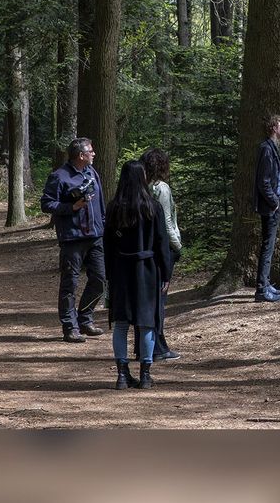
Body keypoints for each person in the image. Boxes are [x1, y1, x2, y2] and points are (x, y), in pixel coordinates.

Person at [104, 160, 174, 390]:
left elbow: (108, 244)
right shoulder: (153, 207)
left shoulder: (114, 208)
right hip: (147, 269)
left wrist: (109, 273)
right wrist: (166, 272)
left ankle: (122, 375)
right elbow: (162, 242)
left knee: (121, 324)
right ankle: (145, 375)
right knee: (146, 323)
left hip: (121, 270)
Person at [40, 137, 107, 343]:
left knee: (100, 281)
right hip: (73, 239)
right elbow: (46, 204)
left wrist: (104, 226)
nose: (94, 154)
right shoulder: (59, 177)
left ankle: (85, 319)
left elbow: (101, 204)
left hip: (95, 237)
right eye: (91, 151)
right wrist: (72, 207)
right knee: (70, 283)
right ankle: (70, 327)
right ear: (81, 155)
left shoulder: (91, 173)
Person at [141, 148, 181, 362]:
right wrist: (177, 246)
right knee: (159, 298)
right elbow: (166, 223)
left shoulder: (141, 188)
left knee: (150, 299)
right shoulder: (161, 189)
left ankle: (147, 345)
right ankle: (158, 347)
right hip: (162, 248)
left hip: (146, 248)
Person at [252, 115, 280, 302]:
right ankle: (261, 289)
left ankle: (266, 284)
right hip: (270, 207)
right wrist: (274, 202)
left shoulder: (272, 148)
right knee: (267, 247)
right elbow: (263, 182)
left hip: (273, 205)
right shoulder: (266, 149)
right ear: (273, 128)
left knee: (270, 245)